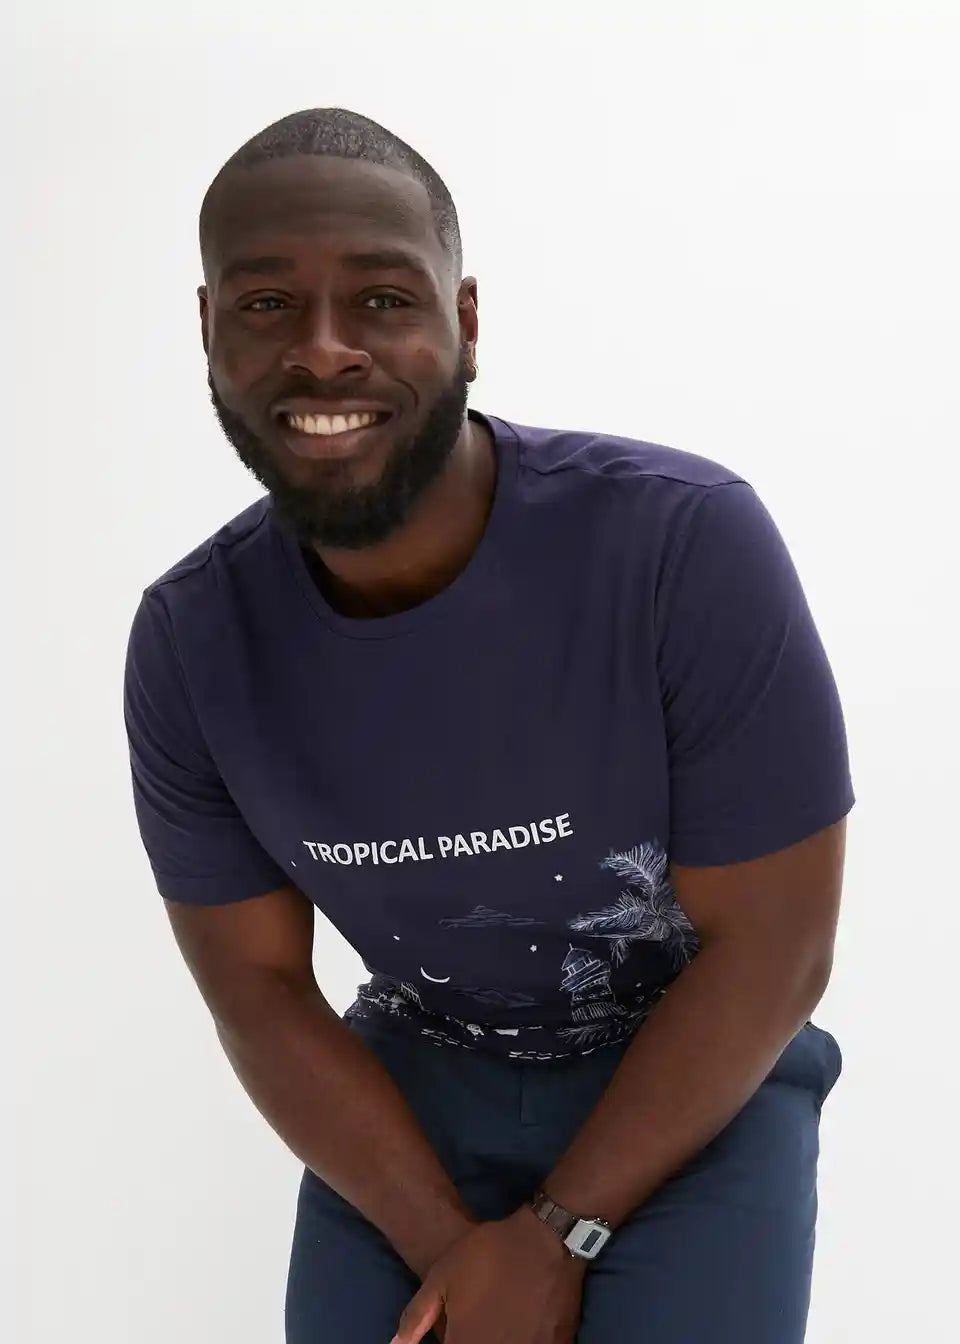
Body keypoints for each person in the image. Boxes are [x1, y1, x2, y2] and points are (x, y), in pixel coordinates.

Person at [123, 106, 854, 1344]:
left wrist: (559, 1232)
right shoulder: (191, 643)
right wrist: (457, 1256)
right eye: (265, 304)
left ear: (465, 320)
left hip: (694, 1079)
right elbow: (258, 988)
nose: (324, 351)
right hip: (414, 1095)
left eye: (383, 299)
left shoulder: (681, 545)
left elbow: (777, 948)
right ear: (207, 330)